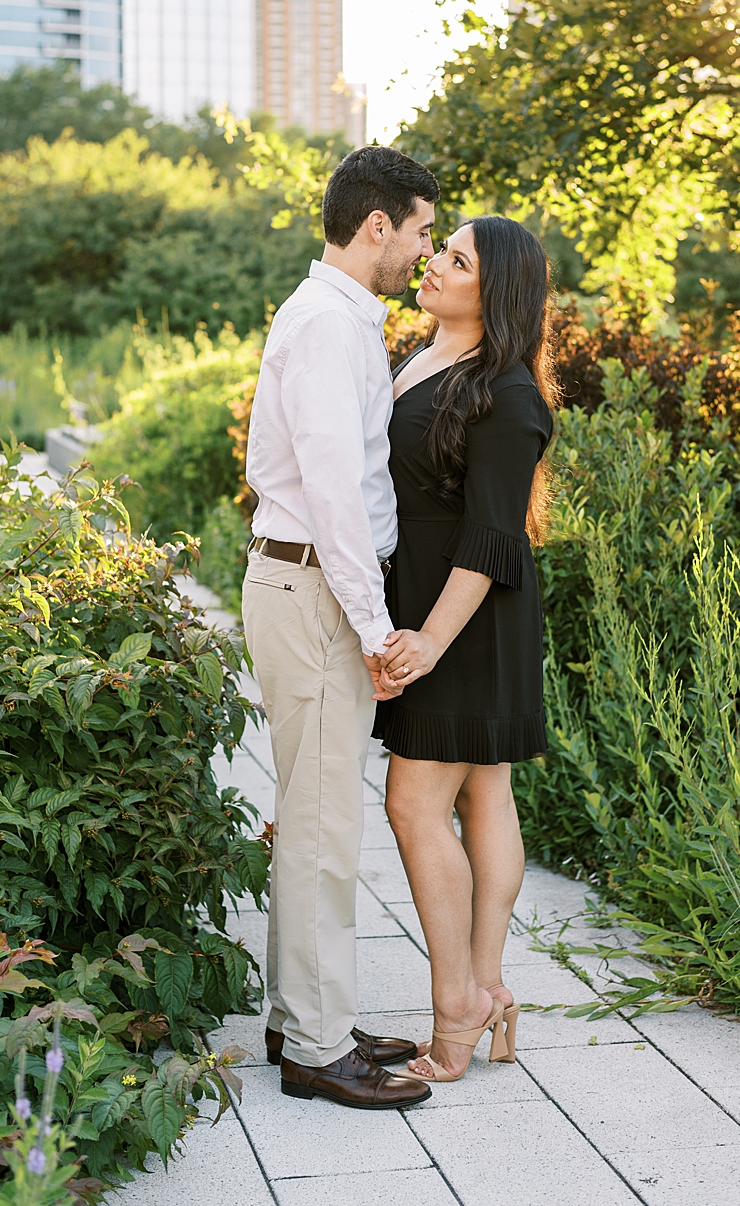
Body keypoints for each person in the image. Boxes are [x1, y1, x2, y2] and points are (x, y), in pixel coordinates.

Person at [243, 145, 439, 1110]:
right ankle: (319, 1048)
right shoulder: (327, 324)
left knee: (314, 813)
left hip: (307, 585)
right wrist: (373, 625)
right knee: (323, 824)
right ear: (378, 225)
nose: (425, 251)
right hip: (314, 588)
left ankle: (302, 1018)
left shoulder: (339, 316)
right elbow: (333, 493)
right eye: (422, 231)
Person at [369, 215, 555, 1083]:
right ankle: (489, 989)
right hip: (432, 605)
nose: (433, 263)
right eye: (440, 249)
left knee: (414, 805)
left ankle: (457, 1009)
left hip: (466, 617)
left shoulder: (509, 394)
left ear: (497, 290)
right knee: (485, 791)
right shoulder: (426, 355)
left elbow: (491, 535)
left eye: (456, 259)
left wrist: (432, 640)